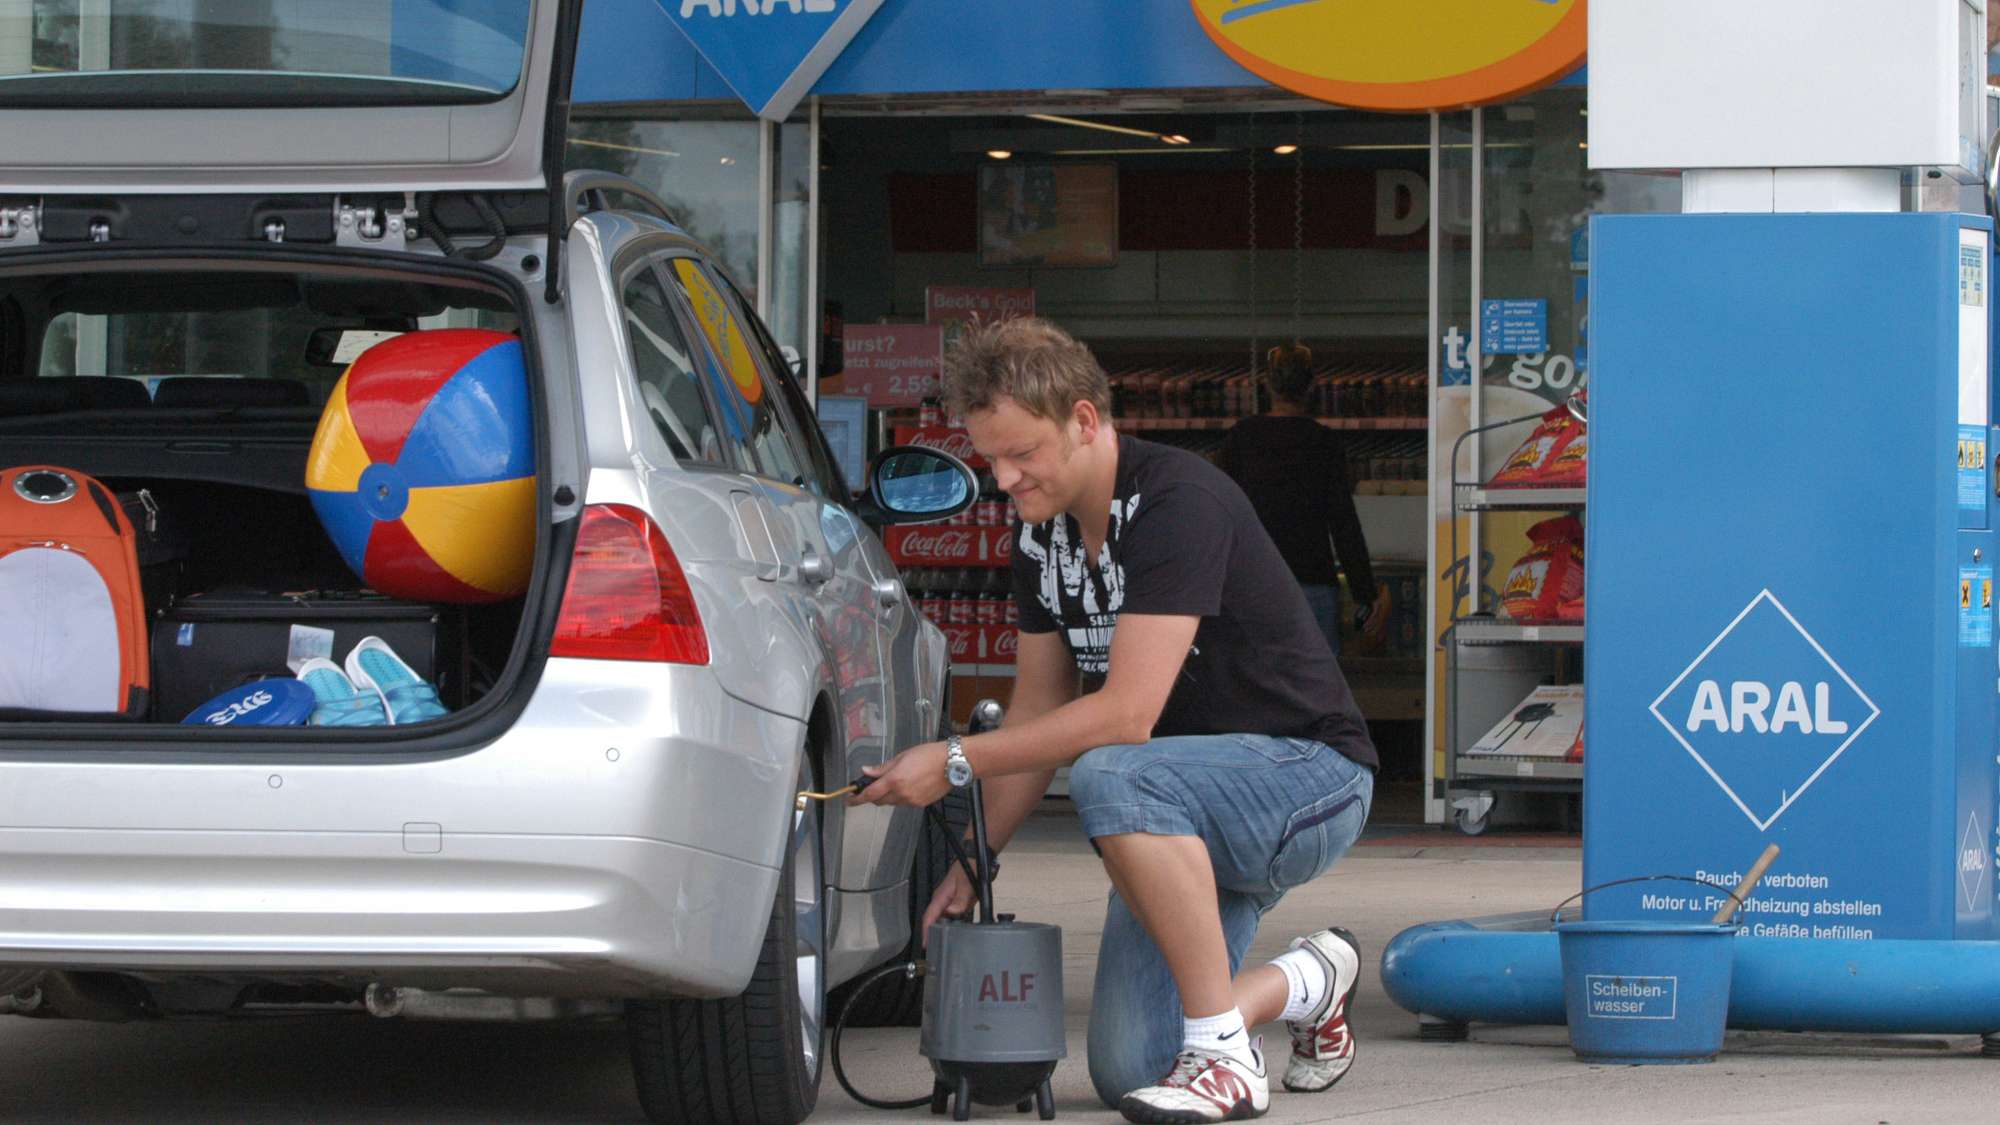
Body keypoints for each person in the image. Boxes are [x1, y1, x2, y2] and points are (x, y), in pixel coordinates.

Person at [853, 318, 1377, 1123]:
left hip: (1306, 780)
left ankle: (1227, 1060)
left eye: (1021, 452)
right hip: (1174, 803)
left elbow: (1128, 715)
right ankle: (1313, 978)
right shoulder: (1042, 535)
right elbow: (1036, 710)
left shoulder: (1177, 502)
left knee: (1110, 767)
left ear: (1086, 420)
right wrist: (975, 862)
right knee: (1128, 1066)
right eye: (991, 457)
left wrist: (955, 758)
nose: (1003, 478)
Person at [1217, 345, 1386, 657]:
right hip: (1314, 583)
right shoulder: (1324, 442)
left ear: (1268, 385)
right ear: (1311, 386)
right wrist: (1364, 591)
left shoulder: (1242, 438)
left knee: (1258, 689)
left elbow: (1217, 514)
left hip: (1254, 584)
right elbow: (1343, 523)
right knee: (1316, 690)